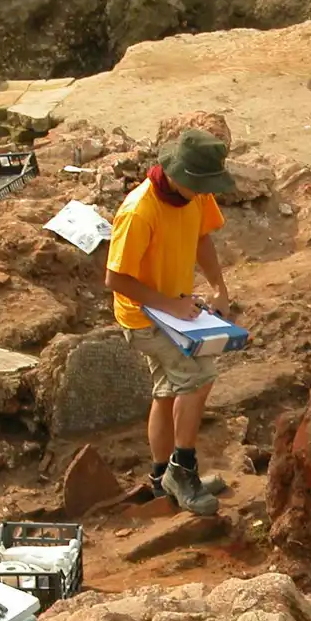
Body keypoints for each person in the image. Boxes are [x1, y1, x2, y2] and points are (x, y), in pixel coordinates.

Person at [104, 128, 236, 515]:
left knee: (166, 392)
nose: (205, 192)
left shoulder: (195, 193)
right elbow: (115, 279)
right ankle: (183, 469)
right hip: (143, 317)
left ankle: (161, 479)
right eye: (201, 185)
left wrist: (219, 286)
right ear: (178, 175)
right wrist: (168, 305)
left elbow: (201, 238)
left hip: (173, 310)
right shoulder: (138, 211)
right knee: (200, 376)